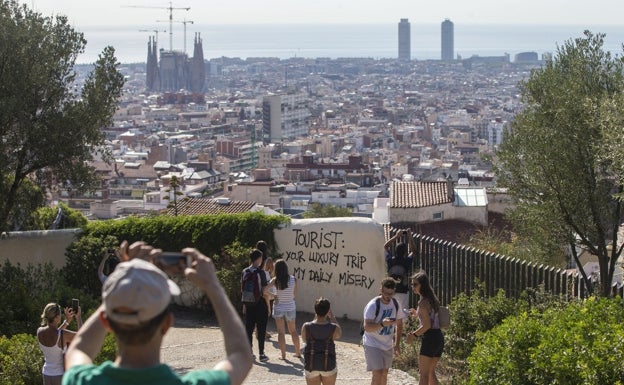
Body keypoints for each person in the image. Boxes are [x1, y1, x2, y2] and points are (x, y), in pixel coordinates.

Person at [63, 240, 253, 385]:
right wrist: (213, 285)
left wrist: (125, 278)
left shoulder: (83, 381)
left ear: (106, 321)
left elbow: (79, 348)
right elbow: (241, 356)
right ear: (167, 324)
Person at [362, 277, 405, 385]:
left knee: (384, 373)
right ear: (381, 290)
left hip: (387, 345)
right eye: (386, 293)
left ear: (394, 291)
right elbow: (367, 327)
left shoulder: (395, 303)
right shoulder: (373, 305)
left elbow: (399, 324)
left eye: (391, 294)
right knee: (378, 373)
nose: (388, 296)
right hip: (372, 343)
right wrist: (382, 324)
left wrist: (397, 344)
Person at [406, 271, 445, 385]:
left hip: (430, 338)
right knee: (431, 373)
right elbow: (431, 317)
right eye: (412, 284)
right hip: (439, 337)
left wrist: (413, 335)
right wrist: (416, 314)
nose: (413, 287)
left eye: (415, 284)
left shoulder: (422, 303)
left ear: (422, 285)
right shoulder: (432, 299)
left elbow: (427, 325)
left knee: (423, 375)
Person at [37, 302, 82, 385]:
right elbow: (82, 337)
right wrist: (78, 317)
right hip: (59, 376)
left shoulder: (39, 331)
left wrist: (67, 321)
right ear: (57, 317)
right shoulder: (63, 335)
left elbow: (56, 333)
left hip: (46, 374)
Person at [265, 259, 301, 359]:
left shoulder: (275, 280)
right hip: (290, 307)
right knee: (293, 331)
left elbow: (264, 290)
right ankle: (298, 352)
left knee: (281, 332)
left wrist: (274, 296)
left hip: (278, 308)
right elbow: (294, 295)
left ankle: (283, 355)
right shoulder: (293, 279)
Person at [300, 297, 342, 385]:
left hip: (311, 364)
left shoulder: (306, 327)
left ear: (315, 311)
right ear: (328, 311)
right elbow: (339, 334)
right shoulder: (334, 327)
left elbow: (304, 340)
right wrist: (332, 317)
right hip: (328, 365)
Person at [241, 248, 269, 362]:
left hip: (248, 303)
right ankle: (261, 354)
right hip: (260, 303)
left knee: (248, 328)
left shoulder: (244, 271)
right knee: (261, 329)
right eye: (261, 258)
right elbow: (264, 291)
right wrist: (268, 305)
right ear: (258, 259)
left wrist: (244, 304)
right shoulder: (261, 273)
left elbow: (242, 288)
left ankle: (249, 353)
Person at [384, 228, 415, 311]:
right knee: (403, 313)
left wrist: (396, 236)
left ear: (395, 251)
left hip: (391, 289)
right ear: (405, 252)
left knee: (391, 311)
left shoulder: (390, 260)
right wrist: (409, 235)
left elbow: (386, 246)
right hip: (403, 291)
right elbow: (413, 251)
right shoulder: (406, 261)